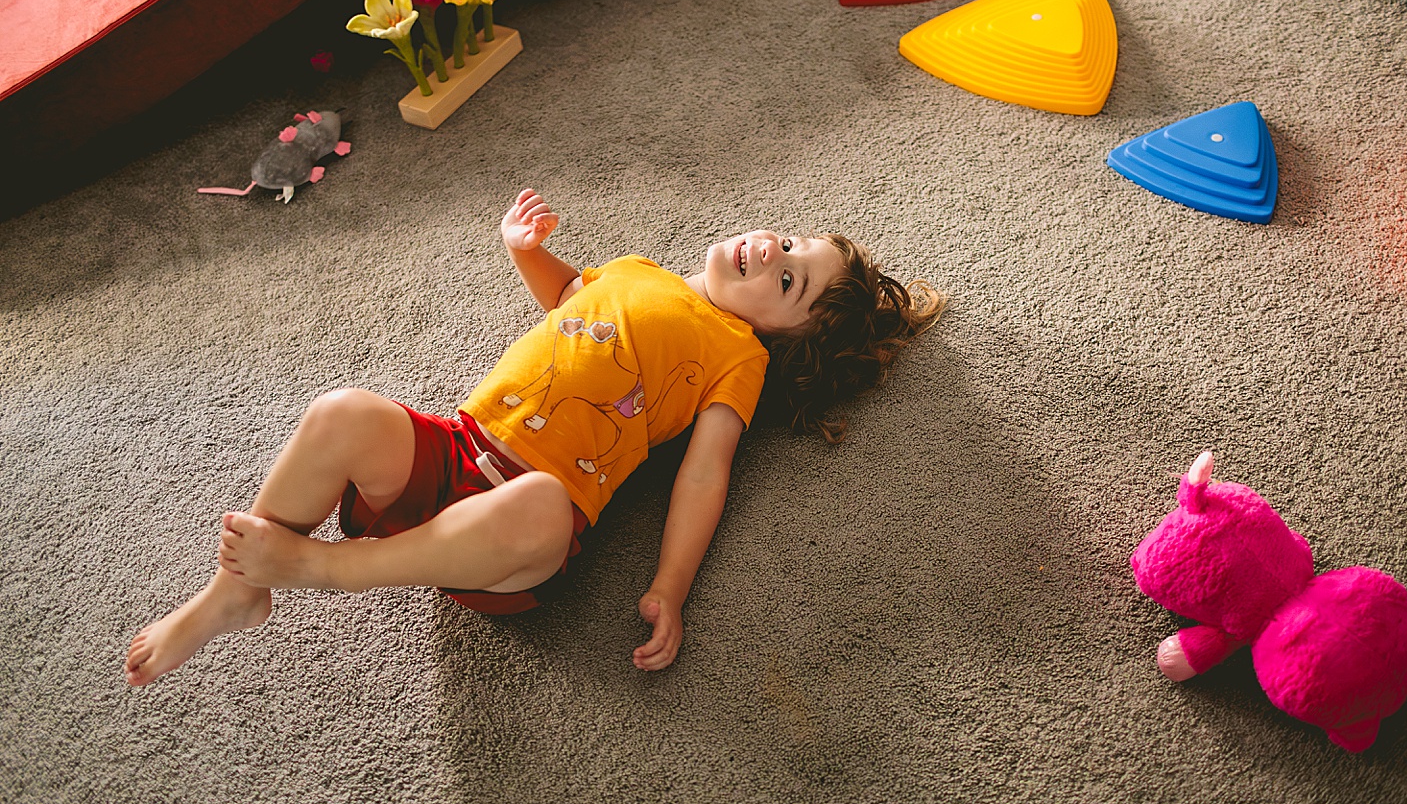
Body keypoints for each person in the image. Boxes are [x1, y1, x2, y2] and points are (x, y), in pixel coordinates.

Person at [125, 189, 944, 685]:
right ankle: (238, 590)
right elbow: (570, 306)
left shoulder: (738, 359)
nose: (773, 253)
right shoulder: (638, 270)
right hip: (454, 448)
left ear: (781, 337)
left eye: (789, 281)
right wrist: (530, 254)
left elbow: (704, 475)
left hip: (518, 532)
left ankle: (323, 569)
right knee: (341, 411)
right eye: (793, 245)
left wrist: (673, 584)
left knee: (546, 505)